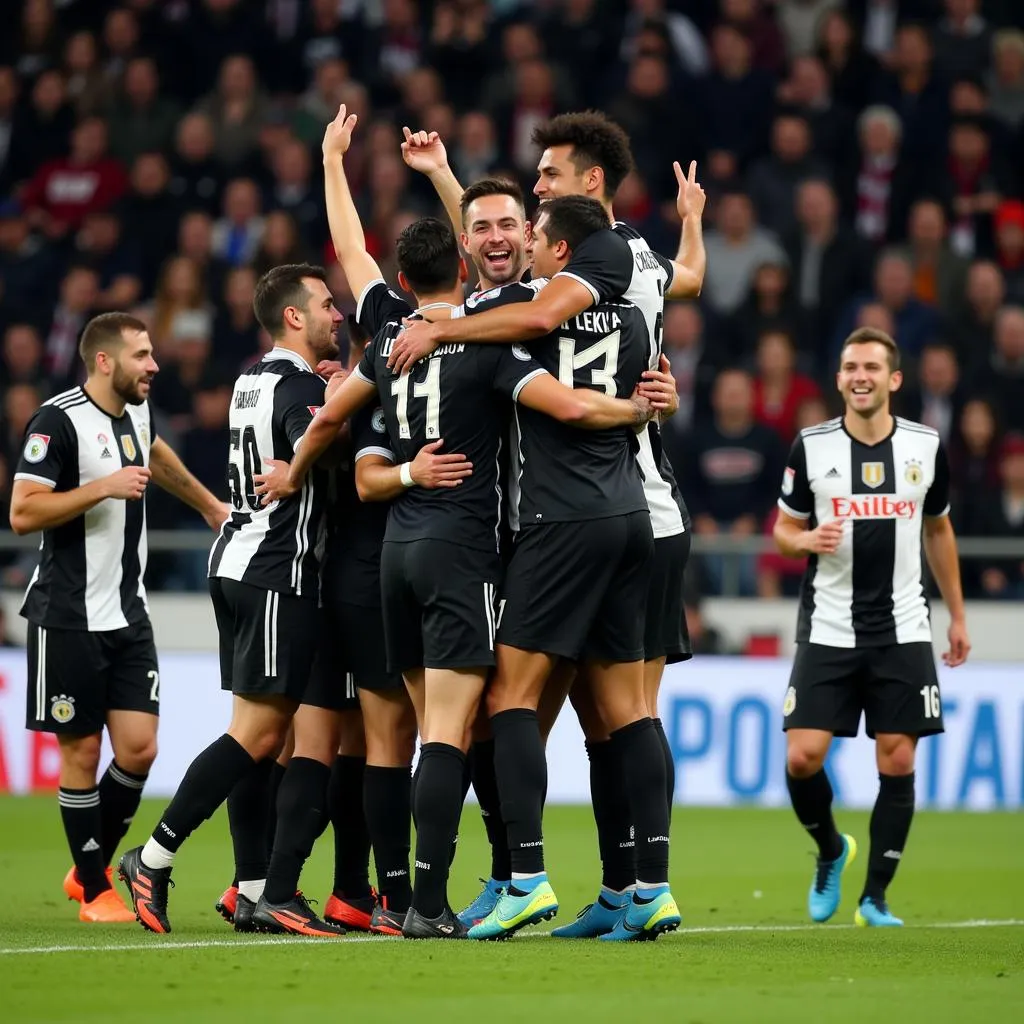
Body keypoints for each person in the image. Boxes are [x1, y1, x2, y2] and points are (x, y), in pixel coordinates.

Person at [255, 105, 658, 939]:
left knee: (499, 719)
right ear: (467, 251)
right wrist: (633, 409)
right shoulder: (497, 324)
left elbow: (353, 256)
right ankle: (518, 878)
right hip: (498, 541)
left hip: (517, 535)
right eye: (484, 228)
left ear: (540, 236)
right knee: (483, 721)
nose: (502, 234)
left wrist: (343, 167)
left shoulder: (462, 316)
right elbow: (577, 392)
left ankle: (514, 883)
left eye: (517, 220)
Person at [393, 111, 704, 937]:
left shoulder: (541, 301)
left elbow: (520, 307)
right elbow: (691, 279)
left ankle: (523, 875)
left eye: (543, 189)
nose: (527, 210)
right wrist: (641, 405)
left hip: (561, 518)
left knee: (512, 701)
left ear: (564, 229)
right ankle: (641, 887)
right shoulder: (634, 286)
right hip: (643, 511)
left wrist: (443, 327)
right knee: (623, 711)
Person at [117, 263, 343, 935]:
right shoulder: (301, 386)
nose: (338, 315)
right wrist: (351, 407)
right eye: (327, 305)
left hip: (236, 561)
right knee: (259, 734)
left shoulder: (250, 378)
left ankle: (251, 891)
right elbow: (323, 449)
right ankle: (153, 858)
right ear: (294, 318)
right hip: (277, 567)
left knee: (261, 739)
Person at [9, 311, 227, 924]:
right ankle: (94, 885)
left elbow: (155, 457)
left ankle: (88, 867)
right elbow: (24, 512)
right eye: (141, 355)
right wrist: (100, 488)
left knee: (139, 748)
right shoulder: (57, 420)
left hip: (128, 614)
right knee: (81, 754)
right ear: (104, 361)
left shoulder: (138, 411)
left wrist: (210, 506)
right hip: (66, 615)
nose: (154, 365)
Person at [773, 326, 971, 928]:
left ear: (894, 379)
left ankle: (874, 898)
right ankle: (832, 849)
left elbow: (938, 529)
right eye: (850, 367)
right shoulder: (810, 447)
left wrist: (957, 615)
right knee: (803, 757)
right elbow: (781, 531)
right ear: (839, 378)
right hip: (829, 626)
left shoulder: (925, 446)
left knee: (898, 759)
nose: (860, 377)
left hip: (904, 627)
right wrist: (805, 539)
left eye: (871, 368)